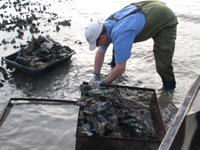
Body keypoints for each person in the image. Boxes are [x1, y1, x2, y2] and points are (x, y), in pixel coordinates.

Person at [85, 0, 178, 90]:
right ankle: (113, 69)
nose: (97, 46)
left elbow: (121, 68)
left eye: (96, 44)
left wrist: (104, 83)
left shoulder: (121, 33)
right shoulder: (106, 26)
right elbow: (100, 53)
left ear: (102, 37)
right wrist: (96, 75)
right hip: (149, 7)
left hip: (164, 18)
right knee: (118, 46)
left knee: (163, 62)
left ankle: (169, 88)